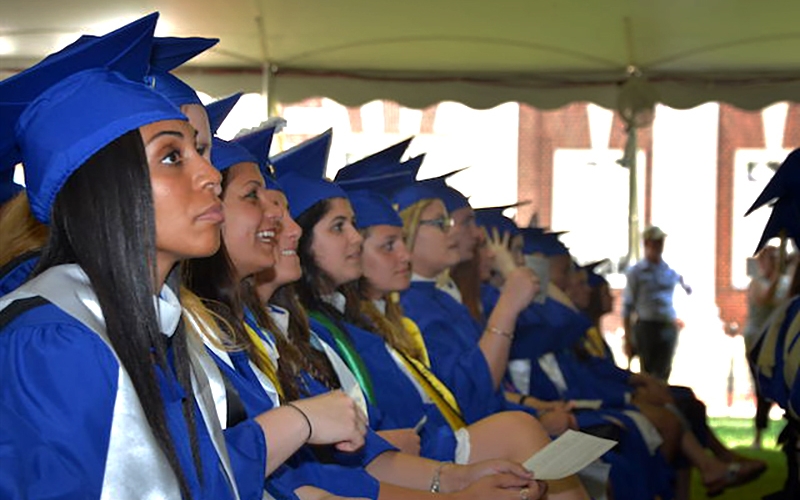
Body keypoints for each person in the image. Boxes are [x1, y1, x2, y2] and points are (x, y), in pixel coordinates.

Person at [0, 14, 254, 499]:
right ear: (104, 187)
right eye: (173, 157)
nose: (212, 175)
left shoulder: (162, 332)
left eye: (200, 152)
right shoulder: (52, 344)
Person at [622, 225, 692, 381]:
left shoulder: (669, 270)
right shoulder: (637, 272)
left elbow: (686, 291)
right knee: (648, 372)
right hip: (646, 327)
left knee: (664, 369)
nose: (657, 247)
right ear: (646, 244)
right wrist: (628, 338)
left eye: (660, 243)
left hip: (667, 326)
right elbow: (627, 307)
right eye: (654, 243)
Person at [743, 245, 790, 449]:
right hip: (757, 343)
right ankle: (758, 435)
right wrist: (778, 277)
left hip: (778, 342)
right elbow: (765, 299)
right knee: (762, 389)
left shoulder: (785, 283)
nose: (774, 262)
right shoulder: (756, 283)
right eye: (770, 258)